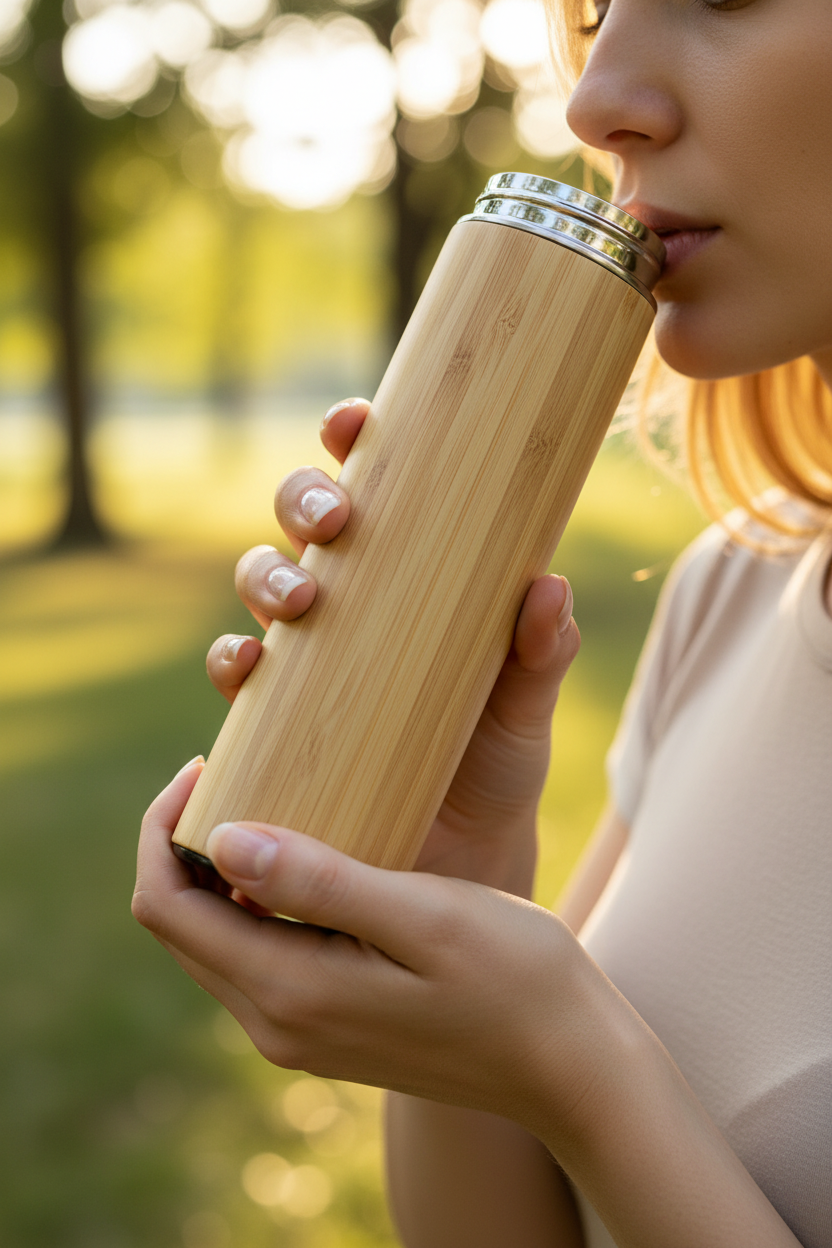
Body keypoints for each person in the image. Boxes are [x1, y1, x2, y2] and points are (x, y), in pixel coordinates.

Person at [132, 0, 832, 1242]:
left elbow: (582, 1077)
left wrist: (583, 1067)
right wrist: (463, 877)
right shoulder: (728, 598)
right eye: (599, 9)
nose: (594, 97)